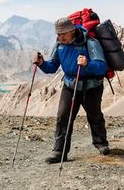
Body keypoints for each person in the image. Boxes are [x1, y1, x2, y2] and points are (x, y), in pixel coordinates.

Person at [33, 17, 110, 164]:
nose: (60, 37)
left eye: (63, 34)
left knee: (94, 115)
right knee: (63, 117)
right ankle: (59, 152)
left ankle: (101, 144)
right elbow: (53, 66)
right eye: (58, 34)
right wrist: (42, 63)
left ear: (72, 31)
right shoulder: (59, 45)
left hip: (92, 86)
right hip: (70, 86)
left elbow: (102, 66)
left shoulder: (90, 42)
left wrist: (88, 64)